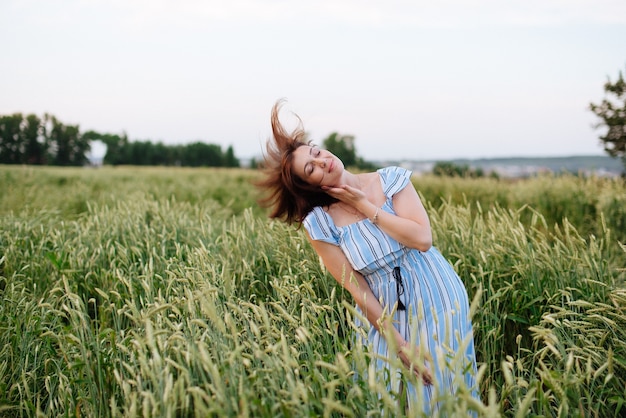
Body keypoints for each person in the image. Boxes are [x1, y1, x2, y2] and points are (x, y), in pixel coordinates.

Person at [257, 101, 479, 414]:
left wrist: (365, 206)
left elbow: (422, 239)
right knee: (385, 399)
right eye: (311, 169)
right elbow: (355, 286)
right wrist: (399, 343)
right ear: (310, 185)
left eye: (317, 153)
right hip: (383, 313)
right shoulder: (320, 222)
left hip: (439, 298)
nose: (323, 163)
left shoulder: (390, 180)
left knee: (442, 394)